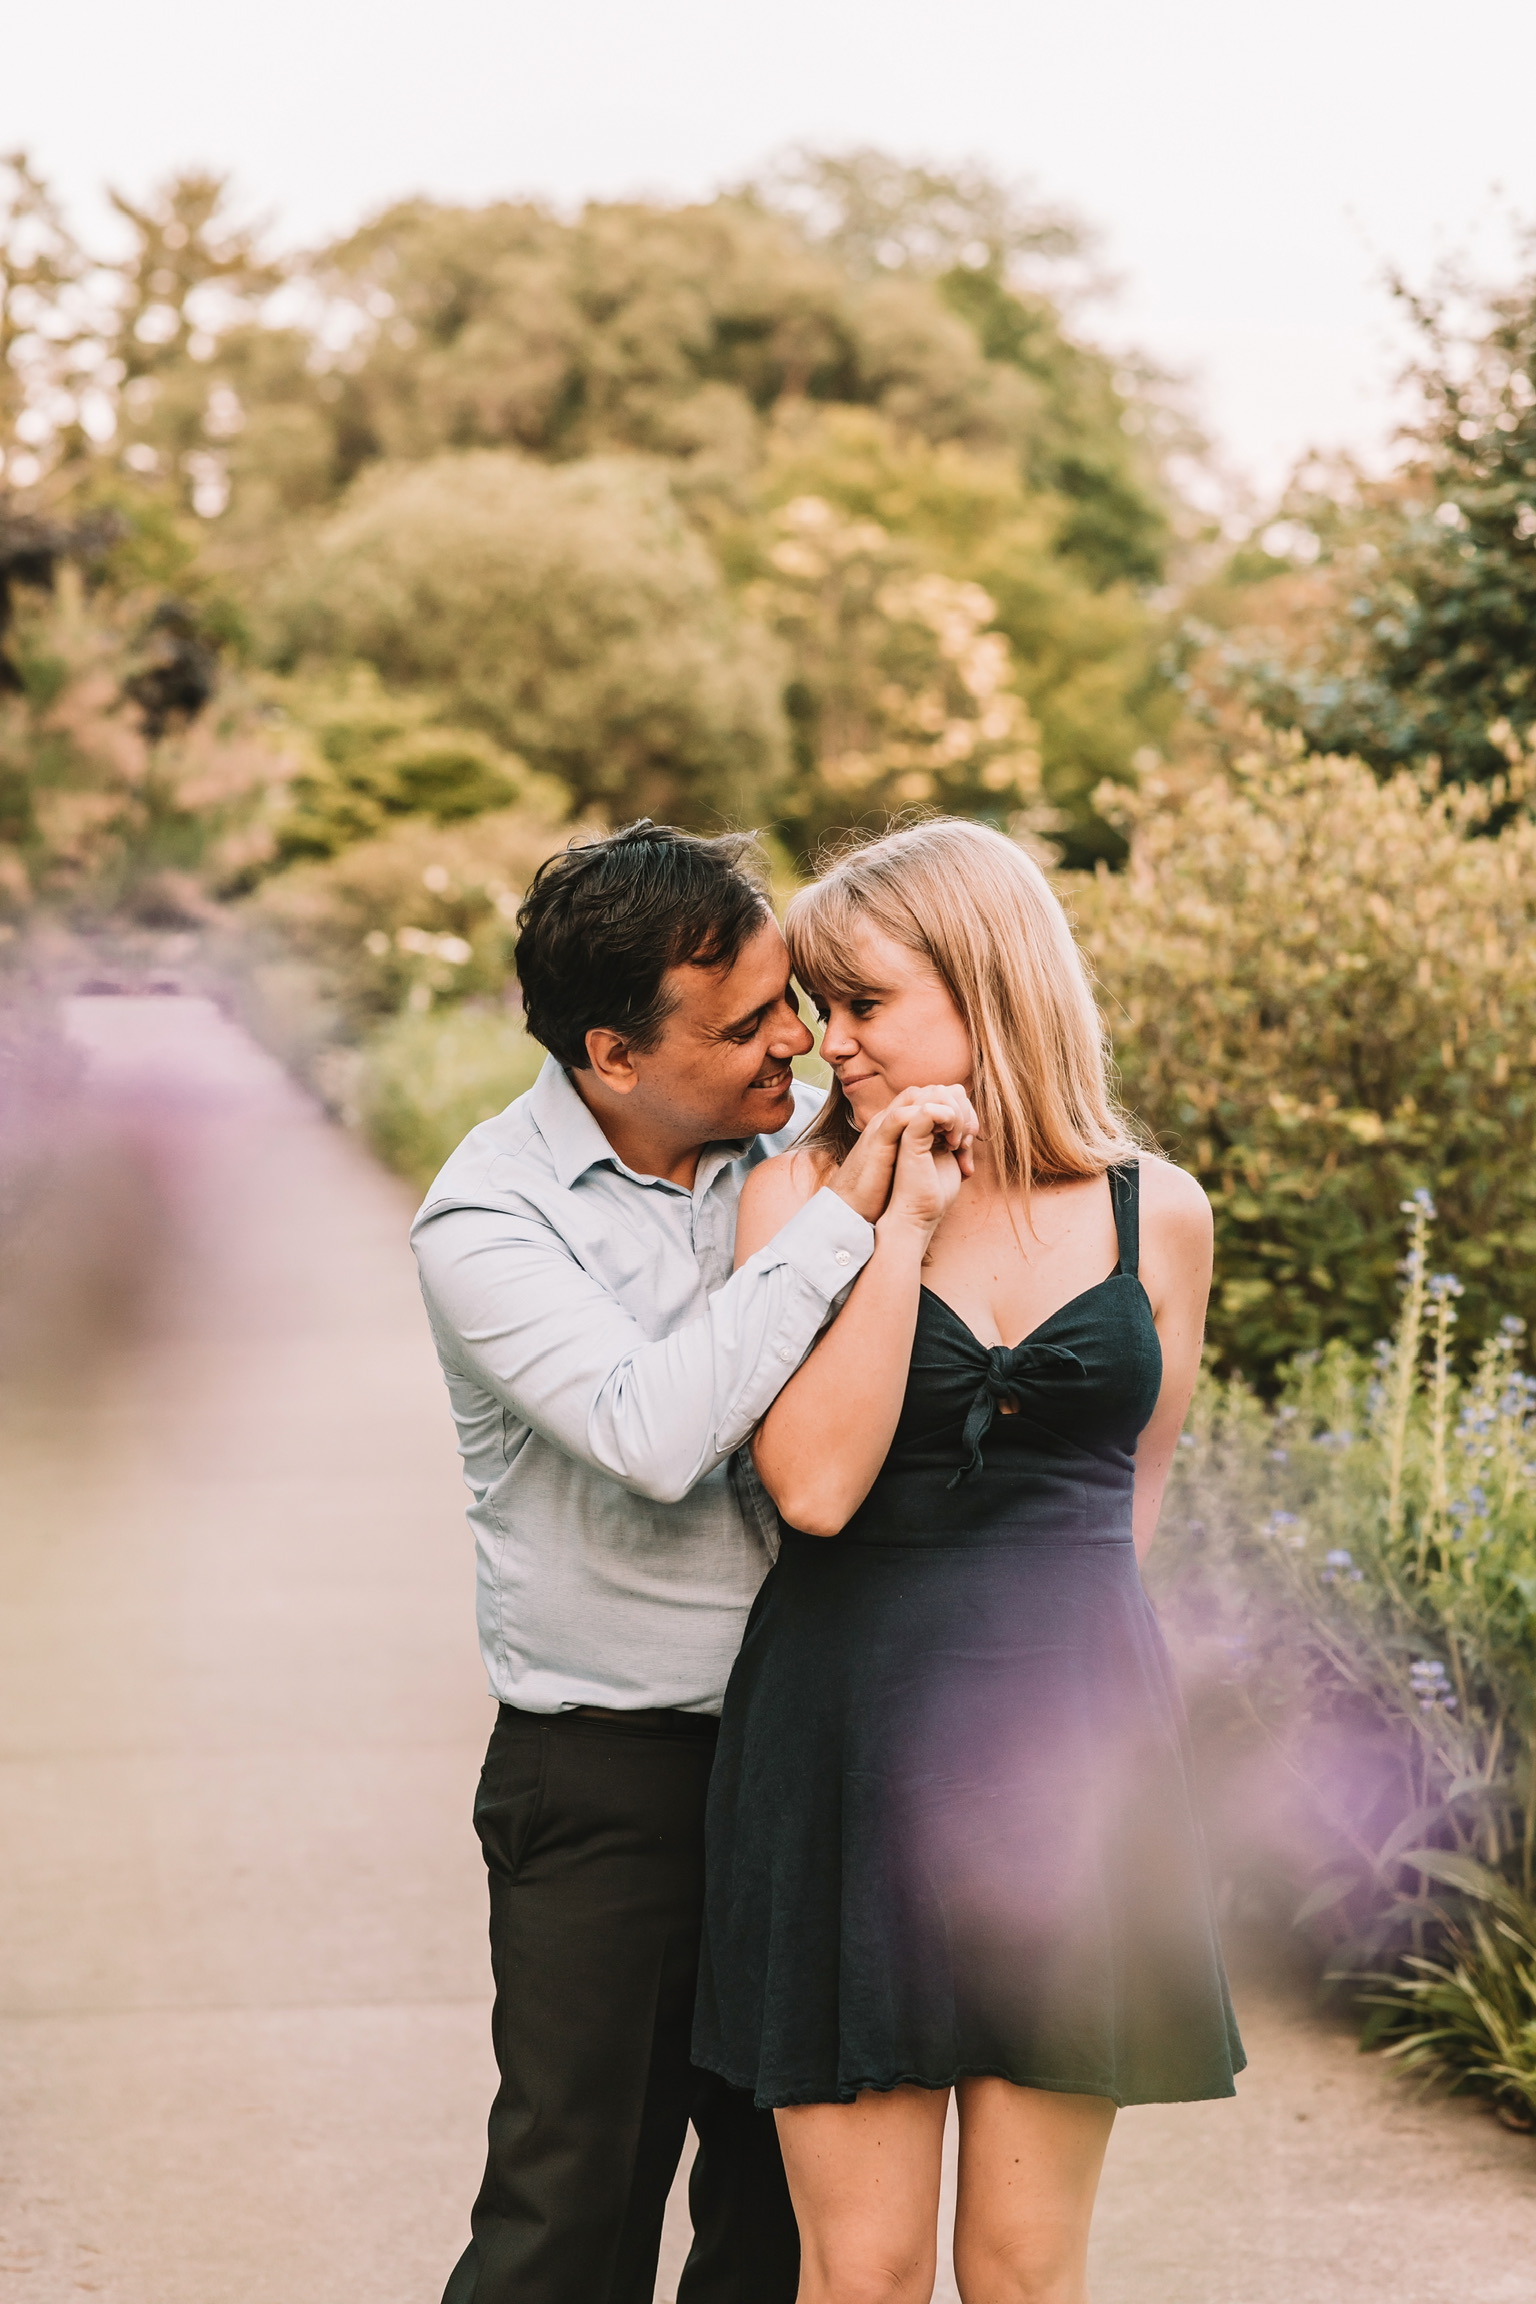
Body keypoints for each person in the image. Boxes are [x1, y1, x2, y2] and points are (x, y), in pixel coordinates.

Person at [410, 821, 976, 2304]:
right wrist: (846, 1217)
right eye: (746, 1025)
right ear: (611, 1052)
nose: (795, 1039)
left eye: (791, 998)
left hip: (824, 1759)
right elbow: (652, 1428)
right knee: (568, 2218)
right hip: (612, 1782)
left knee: (788, 2231)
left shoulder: (800, 1146)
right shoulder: (489, 1222)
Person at [694, 819, 1245, 2304]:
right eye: (820, 1010)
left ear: (987, 983)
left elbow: (1125, 1512)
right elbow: (812, 1488)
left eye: (863, 1004)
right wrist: (898, 1222)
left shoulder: (1160, 1214)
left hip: (1071, 1768)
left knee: (1021, 2269)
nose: (831, 1046)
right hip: (847, 1749)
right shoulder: (796, 1200)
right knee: (863, 2275)